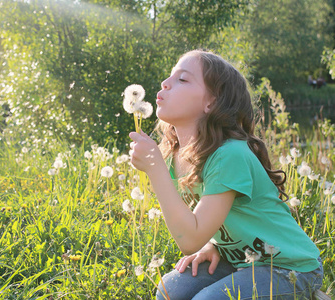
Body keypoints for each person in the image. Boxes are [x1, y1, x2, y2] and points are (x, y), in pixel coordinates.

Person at [129, 50, 323, 299]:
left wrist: (155, 170)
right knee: (170, 290)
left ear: (211, 102)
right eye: (170, 76)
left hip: (289, 266)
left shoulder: (229, 154)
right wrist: (215, 245)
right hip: (243, 258)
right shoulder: (174, 155)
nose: (165, 83)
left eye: (183, 79)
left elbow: (189, 240)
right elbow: (202, 224)